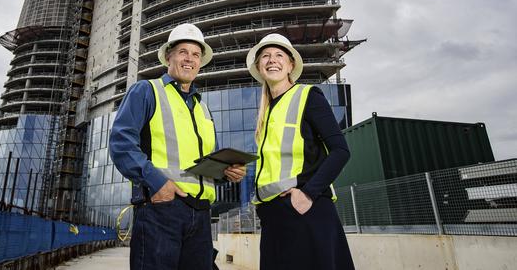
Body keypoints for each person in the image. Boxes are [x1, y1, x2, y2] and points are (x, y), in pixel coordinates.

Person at [110, 23, 246, 270]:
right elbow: (121, 143)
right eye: (183, 51)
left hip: (201, 216)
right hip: (161, 210)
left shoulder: (202, 108)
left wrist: (226, 173)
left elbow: (204, 165)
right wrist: (158, 183)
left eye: (196, 54)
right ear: (169, 56)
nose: (189, 59)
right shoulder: (147, 91)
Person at [246, 33, 355, 270]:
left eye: (278, 55)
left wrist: (307, 194)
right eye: (265, 56)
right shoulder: (266, 114)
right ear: (258, 67)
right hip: (273, 216)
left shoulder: (308, 96)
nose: (271, 60)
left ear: (291, 65)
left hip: (305, 210)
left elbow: (340, 150)